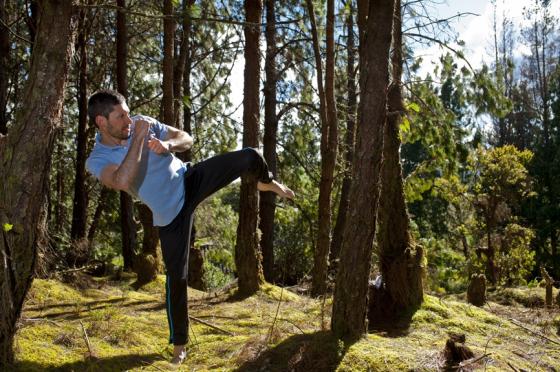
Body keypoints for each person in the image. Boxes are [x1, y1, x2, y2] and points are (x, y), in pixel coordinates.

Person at [85, 89, 294, 364]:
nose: (128, 119)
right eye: (120, 116)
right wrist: (138, 139)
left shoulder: (140, 122)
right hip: (169, 214)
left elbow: (186, 138)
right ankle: (179, 345)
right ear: (102, 122)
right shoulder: (98, 159)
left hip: (189, 179)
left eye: (127, 112)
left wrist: (168, 145)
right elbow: (121, 181)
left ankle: (265, 180)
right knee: (177, 279)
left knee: (250, 155)